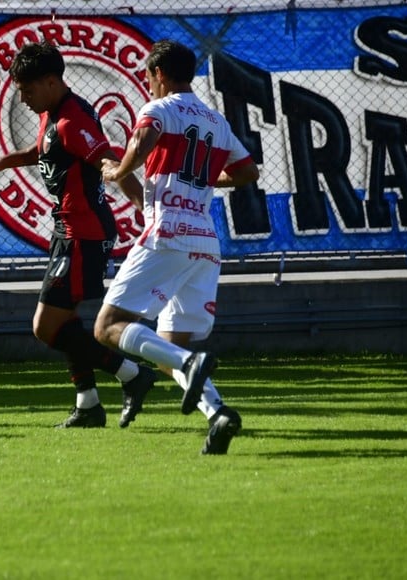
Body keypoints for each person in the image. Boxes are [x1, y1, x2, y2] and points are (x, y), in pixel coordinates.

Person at [0, 41, 155, 428]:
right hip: (67, 230)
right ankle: (88, 405)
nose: (23, 97)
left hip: (84, 235)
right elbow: (44, 151)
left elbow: (110, 162)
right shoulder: (53, 112)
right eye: (19, 90)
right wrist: (4, 161)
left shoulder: (73, 120)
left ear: (52, 82)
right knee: (64, 323)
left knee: (45, 326)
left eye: (28, 89)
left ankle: (133, 375)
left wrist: (146, 210)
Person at [95, 40, 260, 454]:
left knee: (107, 326)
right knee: (172, 345)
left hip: (167, 233)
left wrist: (120, 169)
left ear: (160, 74)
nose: (148, 84)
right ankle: (219, 414)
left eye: (149, 77)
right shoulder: (215, 120)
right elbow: (247, 171)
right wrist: (208, 182)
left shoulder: (160, 108)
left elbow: (145, 135)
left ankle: (190, 365)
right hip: (204, 242)